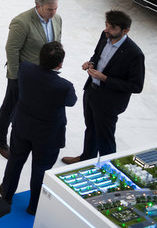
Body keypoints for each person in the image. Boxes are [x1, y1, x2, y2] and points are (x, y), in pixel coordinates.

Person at [0, 42, 77, 215]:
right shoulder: (64, 86)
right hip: (48, 136)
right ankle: (35, 206)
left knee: (15, 162)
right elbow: (71, 102)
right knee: (41, 170)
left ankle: (6, 195)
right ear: (60, 64)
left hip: (23, 127)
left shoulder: (25, 68)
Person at [62, 10, 146, 164]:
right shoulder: (105, 35)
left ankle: (109, 169)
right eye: (106, 25)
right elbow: (97, 55)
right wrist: (91, 63)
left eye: (112, 27)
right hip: (91, 91)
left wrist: (105, 78)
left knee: (105, 137)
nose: (107, 29)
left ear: (125, 30)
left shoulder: (135, 54)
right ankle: (87, 158)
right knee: (91, 128)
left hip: (109, 102)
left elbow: (136, 86)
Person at [0, 0, 62, 159]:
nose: (53, 13)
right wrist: (15, 76)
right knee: (11, 106)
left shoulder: (57, 19)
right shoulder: (22, 22)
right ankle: (0, 140)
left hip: (45, 74)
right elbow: (12, 49)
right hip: (23, 75)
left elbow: (56, 42)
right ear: (38, 6)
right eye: (49, 9)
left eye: (55, 8)